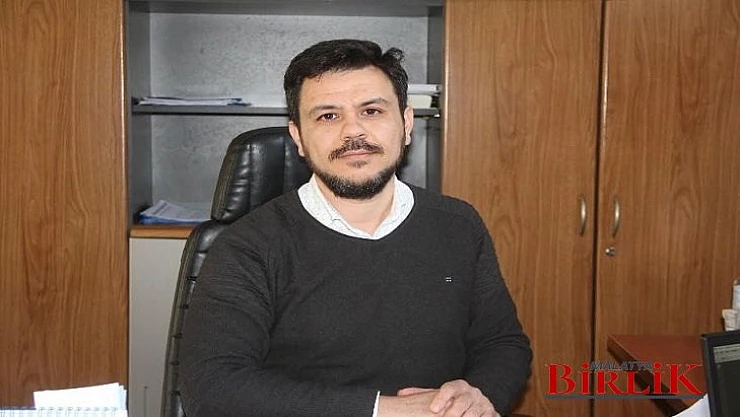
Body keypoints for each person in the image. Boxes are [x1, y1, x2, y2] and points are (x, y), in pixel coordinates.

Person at [179, 39, 532, 417]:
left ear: (406, 124)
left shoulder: (458, 225)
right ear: (299, 138)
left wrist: (479, 396)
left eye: (371, 111)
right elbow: (212, 388)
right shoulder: (249, 245)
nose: (353, 132)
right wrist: (385, 410)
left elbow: (503, 344)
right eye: (328, 116)